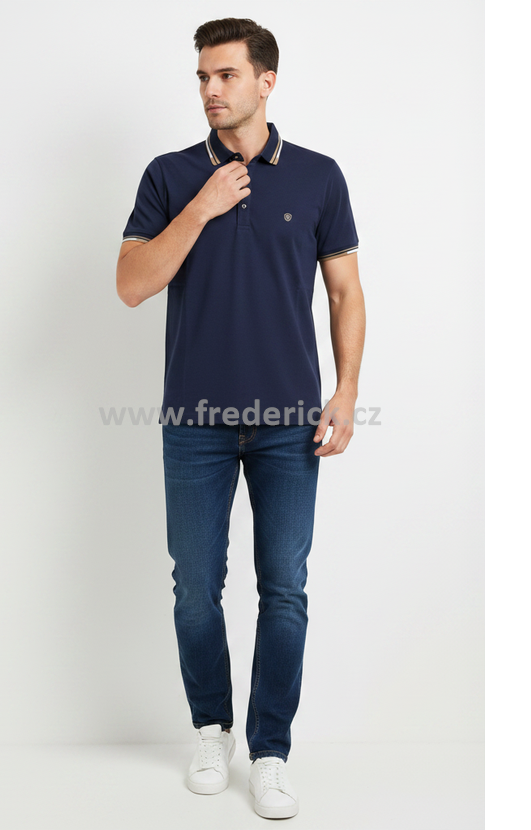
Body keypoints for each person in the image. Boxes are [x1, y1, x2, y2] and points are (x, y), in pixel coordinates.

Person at [116, 17, 366, 820]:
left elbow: (344, 293)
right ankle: (211, 730)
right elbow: (131, 284)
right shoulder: (170, 175)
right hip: (195, 423)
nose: (210, 90)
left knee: (284, 590)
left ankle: (270, 752)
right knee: (196, 589)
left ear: (266, 80)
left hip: (291, 422)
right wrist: (202, 207)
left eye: (225, 75)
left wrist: (347, 391)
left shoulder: (319, 176)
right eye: (202, 76)